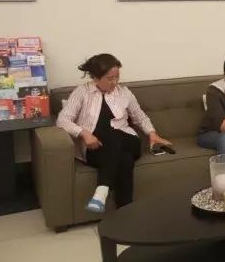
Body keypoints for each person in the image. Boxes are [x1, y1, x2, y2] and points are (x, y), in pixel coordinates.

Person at [56, 53, 171, 213]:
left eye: (117, 77)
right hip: (96, 148)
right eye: (110, 78)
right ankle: (125, 213)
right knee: (124, 160)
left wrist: (152, 133)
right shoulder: (82, 92)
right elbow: (62, 120)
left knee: (113, 134)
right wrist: (84, 133)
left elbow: (140, 116)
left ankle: (101, 192)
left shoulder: (124, 92)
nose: (115, 82)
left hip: (129, 141)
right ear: (96, 78)